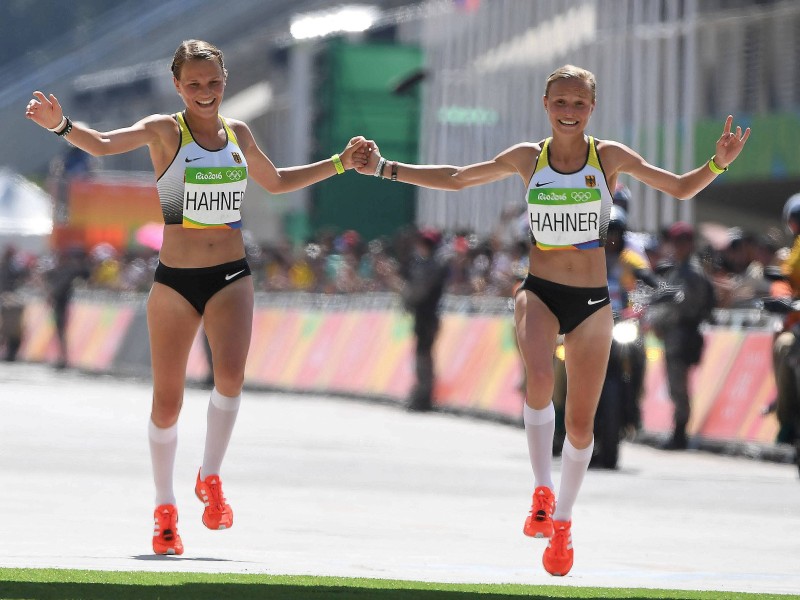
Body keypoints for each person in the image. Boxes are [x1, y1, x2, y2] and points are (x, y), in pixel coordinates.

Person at [357, 64, 749, 575]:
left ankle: (562, 523)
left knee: (581, 422)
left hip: (591, 302)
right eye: (560, 102)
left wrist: (716, 165)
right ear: (545, 105)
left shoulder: (609, 157)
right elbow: (457, 179)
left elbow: (677, 188)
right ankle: (541, 490)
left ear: (592, 108)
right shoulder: (527, 158)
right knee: (539, 378)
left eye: (579, 103)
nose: (569, 111)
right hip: (539, 290)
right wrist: (387, 168)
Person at [25, 39, 369, 556]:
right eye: (193, 84)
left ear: (224, 81)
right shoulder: (166, 130)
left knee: (230, 379)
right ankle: (165, 509)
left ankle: (210, 477)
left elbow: (275, 182)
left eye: (212, 83)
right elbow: (102, 144)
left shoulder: (239, 134)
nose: (204, 93)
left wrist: (339, 163)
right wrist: (61, 125)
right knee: (168, 401)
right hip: (175, 281)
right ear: (178, 86)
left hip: (231, 273)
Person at [652, 222, 716, 451]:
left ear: (689, 244)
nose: (677, 246)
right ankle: (678, 431)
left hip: (684, 334)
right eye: (675, 241)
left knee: (679, 387)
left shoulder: (692, 272)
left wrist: (661, 320)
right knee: (674, 385)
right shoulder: (677, 270)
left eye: (682, 242)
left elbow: (684, 306)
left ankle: (680, 433)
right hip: (673, 335)